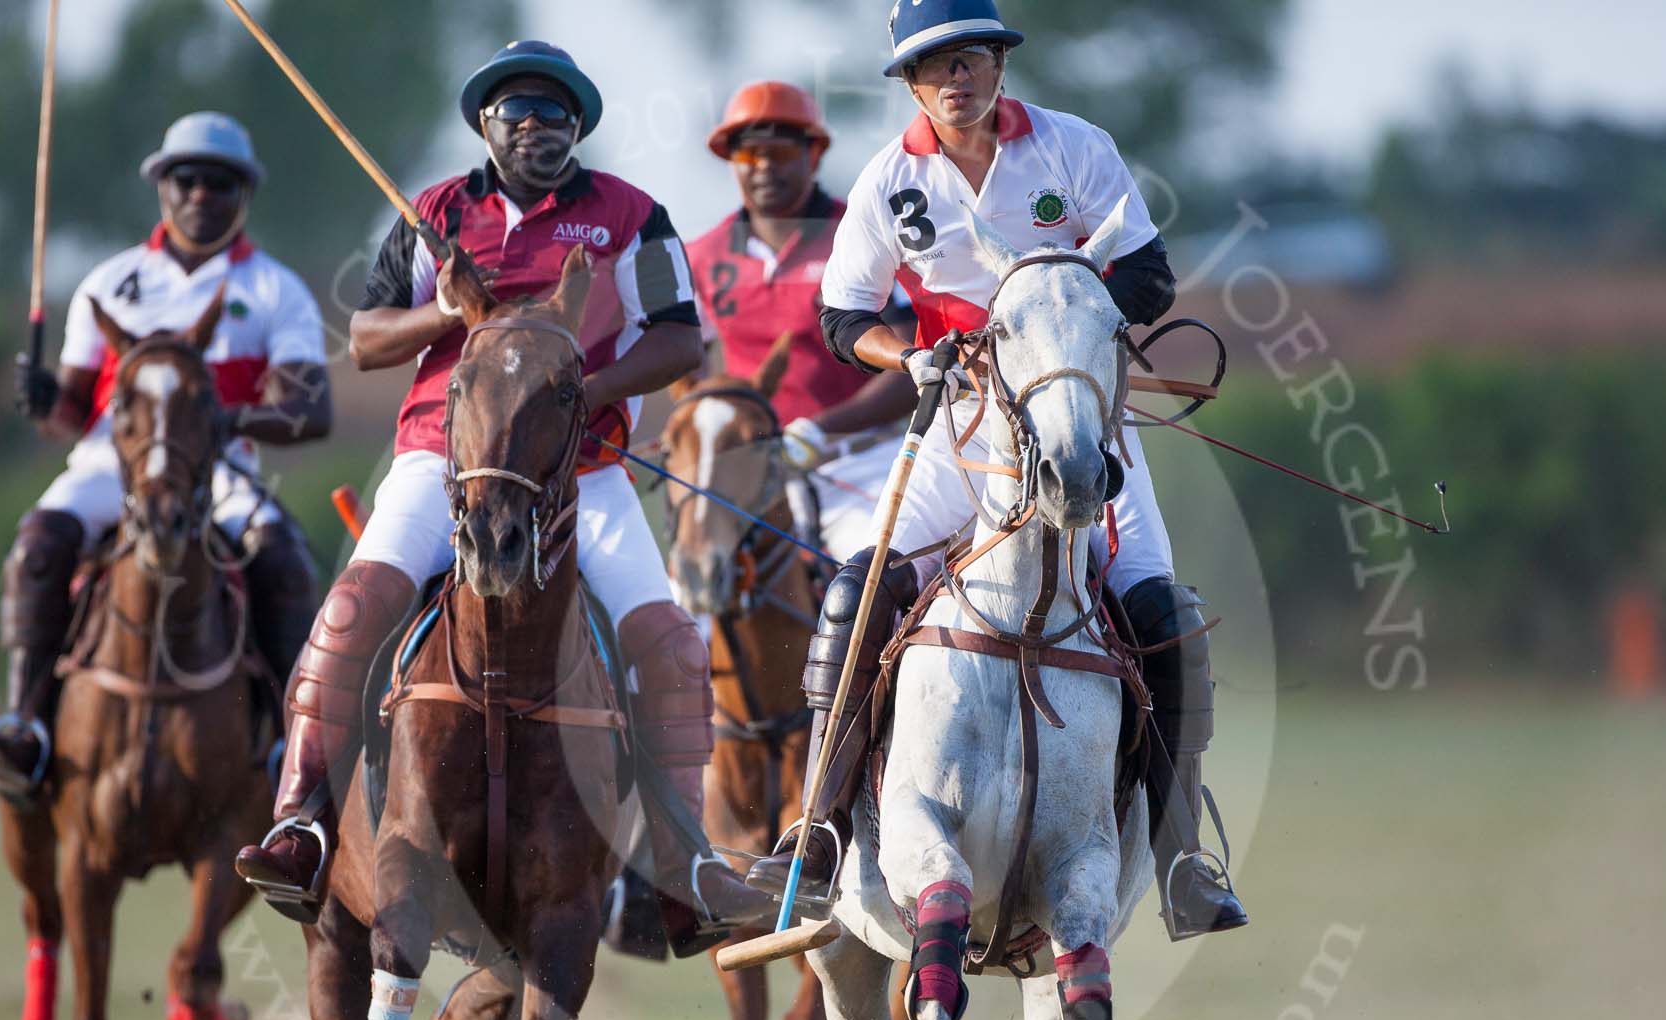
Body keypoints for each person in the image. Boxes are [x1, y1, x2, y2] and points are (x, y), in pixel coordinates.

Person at [235, 42, 765, 950]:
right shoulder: (436, 213)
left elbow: (682, 344)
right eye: (518, 113)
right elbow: (365, 340)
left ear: (577, 130)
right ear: (486, 124)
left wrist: (577, 397)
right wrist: (447, 311)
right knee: (354, 607)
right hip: (443, 464)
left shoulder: (629, 217)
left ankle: (684, 864)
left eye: (557, 116)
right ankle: (302, 821)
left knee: (669, 639)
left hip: (582, 472)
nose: (538, 129)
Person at [743, 0, 1250, 942]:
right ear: (911, 85)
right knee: (861, 589)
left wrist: (1053, 308)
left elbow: (1148, 272)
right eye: (936, 68)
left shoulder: (1070, 148)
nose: (957, 79)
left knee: (1162, 610)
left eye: (972, 60)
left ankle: (1180, 854)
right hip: (963, 429)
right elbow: (845, 316)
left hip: (1074, 416)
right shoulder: (889, 179)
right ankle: (815, 837)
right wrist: (912, 359)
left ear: (1000, 68)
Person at [0, 112, 329, 804]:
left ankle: (291, 739)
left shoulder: (272, 289)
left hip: (218, 470)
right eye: (188, 179)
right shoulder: (110, 282)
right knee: (37, 546)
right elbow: (75, 415)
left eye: (220, 183)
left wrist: (227, 421)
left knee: (283, 555)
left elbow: (312, 411)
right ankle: (24, 722)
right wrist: (46, 398)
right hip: (113, 464)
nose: (202, 194)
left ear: (244, 194)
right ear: (164, 188)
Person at [686, 81, 916, 559]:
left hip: (862, 462)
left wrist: (818, 431)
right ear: (732, 163)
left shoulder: (859, 235)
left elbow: (913, 364)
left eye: (782, 151)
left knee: (874, 586)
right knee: (690, 601)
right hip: (753, 475)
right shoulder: (701, 257)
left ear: (814, 155)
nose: (765, 165)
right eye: (750, 154)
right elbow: (688, 366)